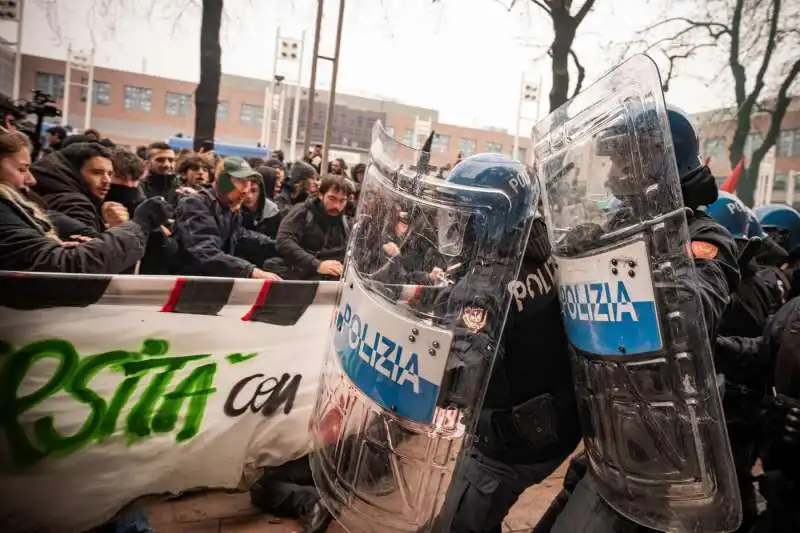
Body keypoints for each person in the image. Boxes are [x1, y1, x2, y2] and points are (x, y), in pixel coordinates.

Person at [544, 104, 740, 533]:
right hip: (607, 430)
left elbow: (695, 313)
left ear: (657, 161)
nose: (612, 172)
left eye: (623, 158)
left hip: (660, 443)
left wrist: (646, 247)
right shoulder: (615, 226)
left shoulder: (704, 236)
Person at [0, 129, 170, 273]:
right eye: (97, 173)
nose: (106, 181)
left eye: (110, 174)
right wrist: (137, 225)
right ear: (74, 172)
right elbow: (70, 266)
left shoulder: (33, 207)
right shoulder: (73, 203)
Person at [172, 156, 281, 280]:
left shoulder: (229, 207)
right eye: (241, 181)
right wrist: (250, 271)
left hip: (210, 283)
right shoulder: (194, 204)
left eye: (249, 182)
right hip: (186, 285)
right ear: (223, 179)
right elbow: (204, 250)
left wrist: (280, 246)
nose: (246, 190)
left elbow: (239, 235)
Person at [268, 174, 352, 281]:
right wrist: (317, 265)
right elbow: (284, 241)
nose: (336, 206)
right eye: (332, 199)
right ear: (321, 195)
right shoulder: (302, 212)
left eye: (342, 201)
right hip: (299, 275)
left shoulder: (345, 223)